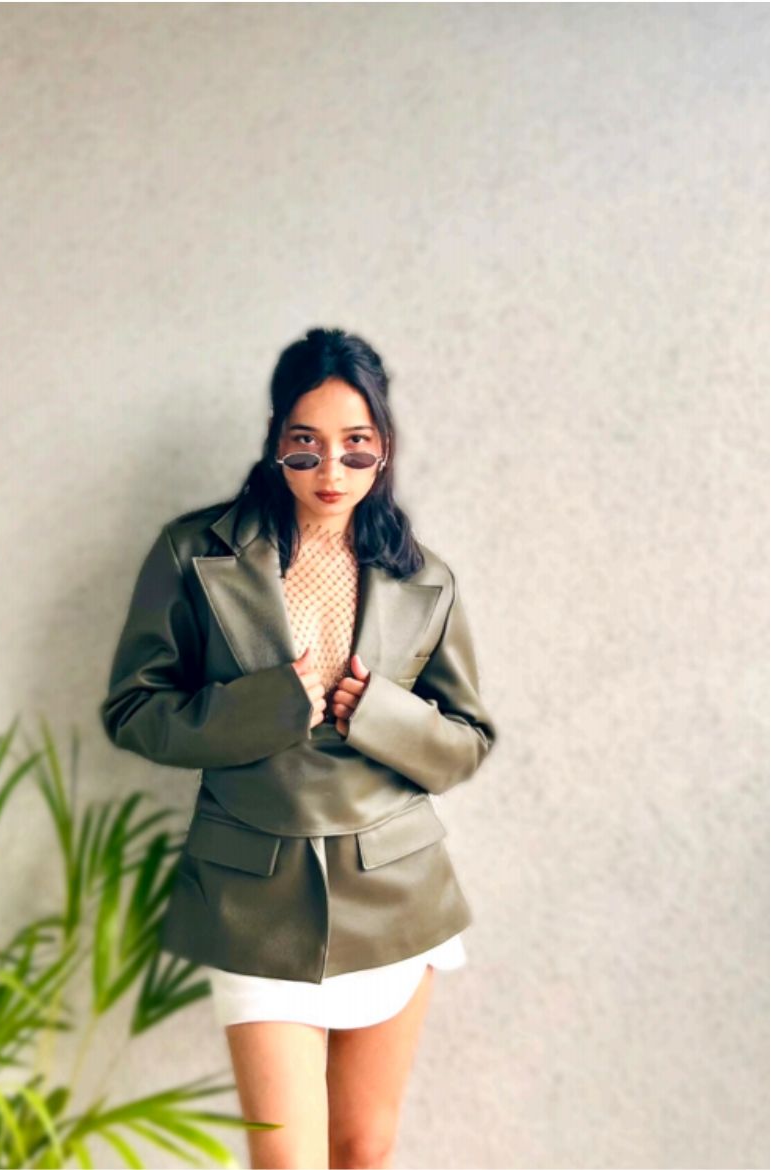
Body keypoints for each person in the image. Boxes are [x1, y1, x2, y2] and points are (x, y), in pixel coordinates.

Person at [100, 326, 498, 1169]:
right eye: (305, 445)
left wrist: (380, 715)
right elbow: (134, 710)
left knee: (364, 1148)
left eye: (356, 447)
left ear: (384, 448)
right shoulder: (193, 553)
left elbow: (465, 742)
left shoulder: (425, 577)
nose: (331, 473)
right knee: (286, 1160)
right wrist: (264, 708)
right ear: (275, 438)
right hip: (253, 892)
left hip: (398, 890)